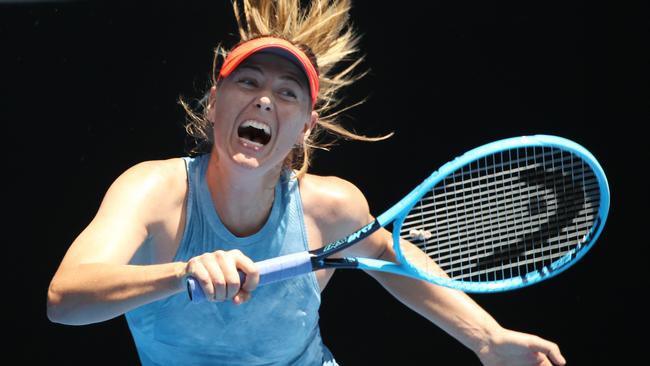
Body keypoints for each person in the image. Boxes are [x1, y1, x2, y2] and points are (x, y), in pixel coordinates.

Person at [47, 1, 567, 365]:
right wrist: (182, 271)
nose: (266, 99)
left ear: (304, 127)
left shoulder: (330, 207)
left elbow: (392, 260)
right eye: (248, 82)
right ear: (213, 103)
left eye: (288, 93)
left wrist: (487, 339)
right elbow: (65, 300)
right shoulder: (153, 193)